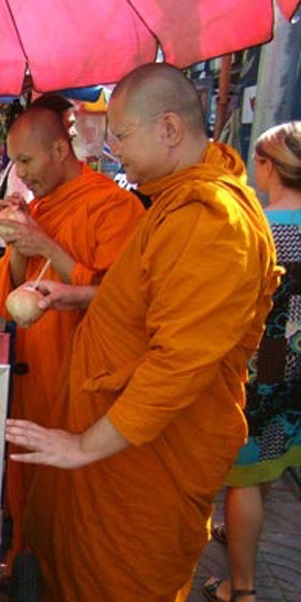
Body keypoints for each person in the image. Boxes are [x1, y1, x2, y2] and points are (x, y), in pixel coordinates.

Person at [5, 63, 281, 602]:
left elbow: (180, 364)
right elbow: (150, 301)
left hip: (140, 460)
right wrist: (80, 295)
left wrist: (87, 443)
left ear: (170, 129)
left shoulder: (214, 220)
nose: (113, 152)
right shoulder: (175, 202)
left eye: (122, 137)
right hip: (113, 444)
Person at [0, 105, 144, 564]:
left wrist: (45, 244)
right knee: (31, 487)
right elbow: (16, 292)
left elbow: (119, 297)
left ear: (60, 149)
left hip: (81, 379)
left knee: (73, 502)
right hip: (32, 371)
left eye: (28, 161)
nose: (21, 173)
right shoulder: (40, 207)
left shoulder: (114, 206)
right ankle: (28, 562)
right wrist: (18, 242)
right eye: (14, 162)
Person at [203, 122, 301, 602]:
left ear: (265, 166)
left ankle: (239, 588)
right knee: (270, 463)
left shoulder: (258, 228)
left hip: (258, 369)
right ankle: (243, 537)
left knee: (243, 476)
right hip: (298, 369)